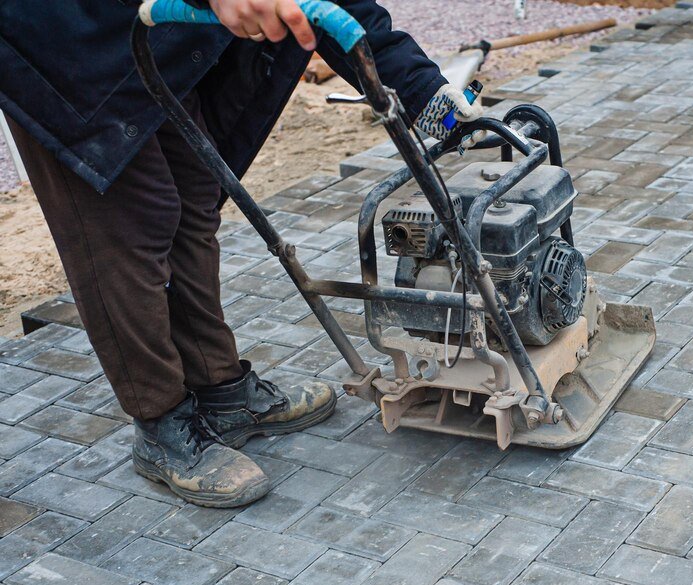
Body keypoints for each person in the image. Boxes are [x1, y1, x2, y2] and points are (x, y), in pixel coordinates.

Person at [0, 0, 483, 507]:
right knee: (126, 229)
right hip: (66, 38)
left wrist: (431, 97)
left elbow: (343, 10)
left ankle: (220, 391)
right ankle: (160, 423)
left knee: (193, 198)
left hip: (152, 36)